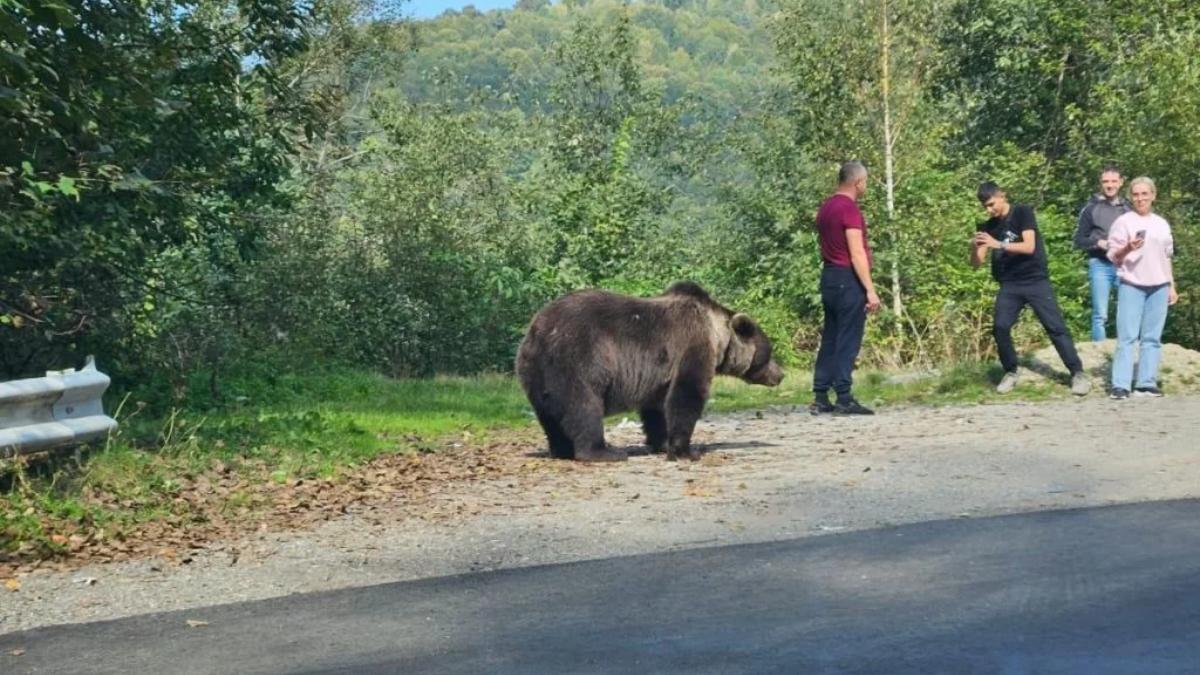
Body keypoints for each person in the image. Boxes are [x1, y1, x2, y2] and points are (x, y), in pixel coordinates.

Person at [971, 182, 1091, 396]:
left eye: (991, 204)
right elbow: (976, 263)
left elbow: (1029, 246)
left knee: (1055, 327)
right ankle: (1010, 371)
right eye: (985, 207)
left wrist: (998, 244)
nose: (989, 210)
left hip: (1035, 280)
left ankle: (1077, 372)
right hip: (1009, 284)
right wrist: (975, 246)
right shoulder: (988, 226)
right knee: (1000, 327)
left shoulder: (1022, 213)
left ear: (1002, 196)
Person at [810, 161, 881, 416]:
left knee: (830, 336)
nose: (866, 185)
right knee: (848, 338)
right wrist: (870, 289)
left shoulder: (826, 207)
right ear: (857, 182)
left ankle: (820, 394)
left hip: (828, 276)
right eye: (866, 181)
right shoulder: (849, 210)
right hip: (847, 279)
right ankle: (843, 396)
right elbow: (857, 253)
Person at [1106, 176, 1178, 400]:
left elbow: (1167, 257)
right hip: (1132, 284)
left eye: (1144, 194)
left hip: (1158, 285)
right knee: (1127, 337)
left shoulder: (1161, 224)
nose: (1140, 198)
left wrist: (1171, 286)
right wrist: (1127, 248)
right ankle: (1121, 385)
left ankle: (1146, 383)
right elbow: (1112, 256)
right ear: (1131, 197)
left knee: (1152, 337)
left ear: (1153, 196)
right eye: (1136, 194)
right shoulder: (1124, 222)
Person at [1074, 165, 1132, 341]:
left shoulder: (1128, 209)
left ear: (1121, 183)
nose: (1110, 185)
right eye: (1106, 181)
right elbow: (1079, 239)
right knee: (1100, 314)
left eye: (1114, 181)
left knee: (1128, 310)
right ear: (1101, 183)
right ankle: (1098, 352)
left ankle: (1126, 349)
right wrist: (1099, 243)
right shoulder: (1091, 208)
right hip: (1100, 265)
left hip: (1124, 265)